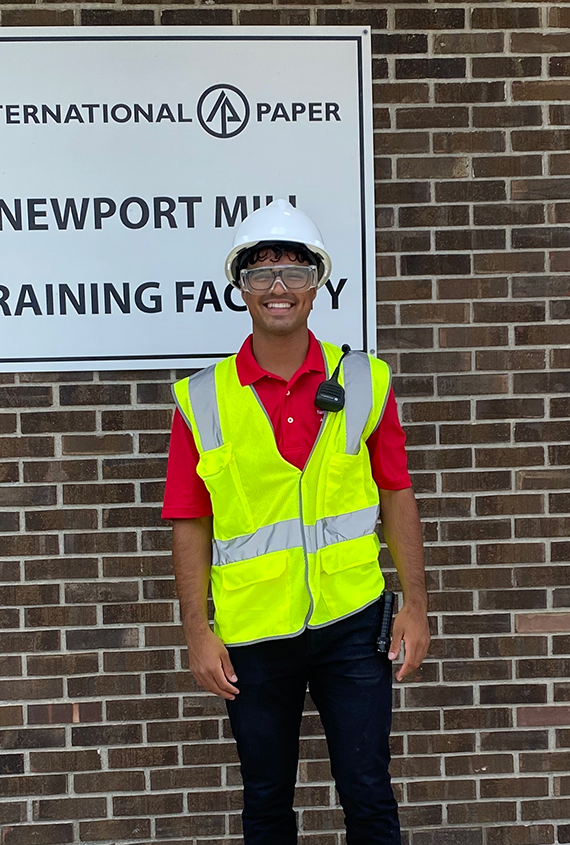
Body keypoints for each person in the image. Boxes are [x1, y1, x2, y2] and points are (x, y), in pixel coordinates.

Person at [162, 199, 429, 845]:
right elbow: (190, 520)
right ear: (241, 289)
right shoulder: (202, 398)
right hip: (253, 633)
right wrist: (198, 631)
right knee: (266, 800)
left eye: (294, 270)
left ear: (318, 284)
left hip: (352, 621)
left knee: (368, 792)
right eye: (260, 273)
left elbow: (396, 493)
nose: (278, 287)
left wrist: (416, 606)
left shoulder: (364, 379)